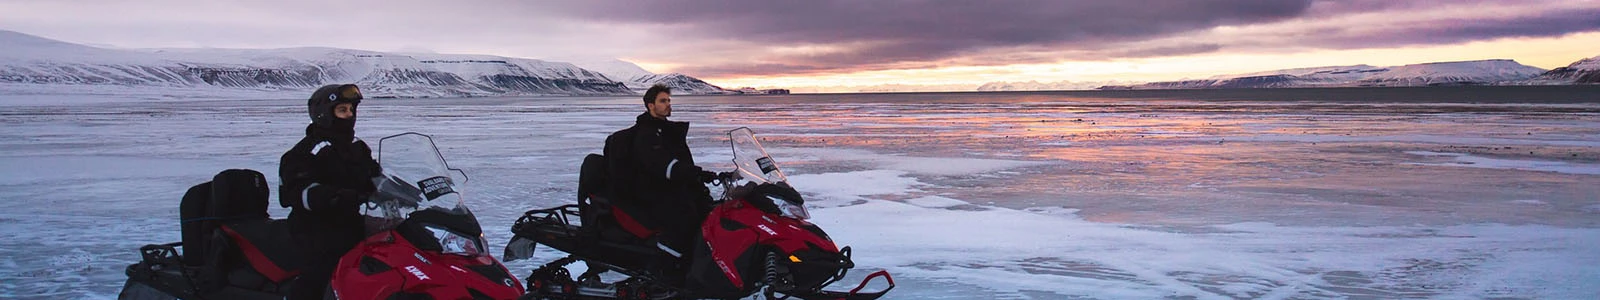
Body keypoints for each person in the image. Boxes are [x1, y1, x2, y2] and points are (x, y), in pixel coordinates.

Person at [599, 84, 718, 282]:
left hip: (668, 187)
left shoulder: (666, 131)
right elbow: (659, 163)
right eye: (663, 101)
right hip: (648, 190)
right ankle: (664, 271)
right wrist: (693, 173)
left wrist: (699, 177)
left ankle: (704, 265)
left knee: (708, 210)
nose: (668, 104)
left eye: (669, 100)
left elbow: (679, 161)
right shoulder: (646, 133)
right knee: (683, 220)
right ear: (650, 105)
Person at [278, 84, 381, 300]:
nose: (349, 116)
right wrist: (333, 196)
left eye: (351, 110)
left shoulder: (357, 147)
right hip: (314, 228)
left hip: (350, 222)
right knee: (324, 269)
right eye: (342, 110)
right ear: (324, 114)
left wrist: (401, 189)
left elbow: (374, 175)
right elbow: (294, 193)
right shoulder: (305, 152)